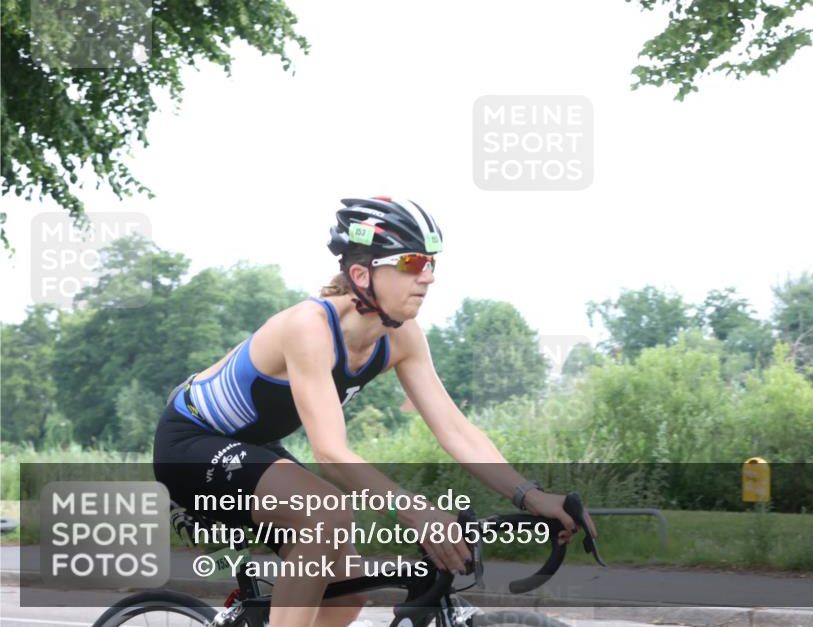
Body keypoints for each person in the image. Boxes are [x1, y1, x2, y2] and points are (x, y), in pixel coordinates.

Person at [153, 197, 596, 627]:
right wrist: (419, 513)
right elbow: (331, 454)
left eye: (431, 264)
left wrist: (532, 496)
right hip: (190, 442)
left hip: (253, 447)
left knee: (348, 593)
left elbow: (456, 430)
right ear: (362, 274)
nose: (427, 277)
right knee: (326, 510)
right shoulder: (308, 327)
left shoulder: (401, 337)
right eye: (410, 264)